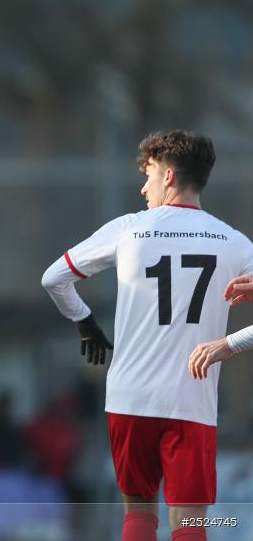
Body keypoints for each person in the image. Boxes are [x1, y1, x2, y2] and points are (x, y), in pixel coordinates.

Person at [41, 130, 253, 541]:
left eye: (150, 174)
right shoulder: (234, 242)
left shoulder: (129, 229)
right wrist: (231, 344)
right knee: (191, 524)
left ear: (170, 176)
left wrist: (84, 321)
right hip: (191, 400)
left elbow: (54, 278)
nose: (144, 186)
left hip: (130, 398)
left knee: (138, 518)